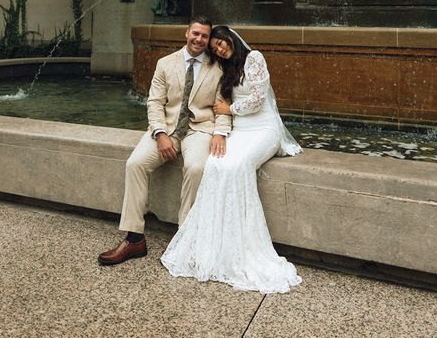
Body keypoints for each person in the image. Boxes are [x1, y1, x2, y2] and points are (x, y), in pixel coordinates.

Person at [161, 26, 302, 293]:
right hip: (241, 130)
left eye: (221, 43)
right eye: (214, 48)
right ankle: (216, 243)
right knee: (215, 163)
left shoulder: (255, 58)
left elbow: (259, 100)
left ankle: (245, 246)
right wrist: (221, 128)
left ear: (231, 39)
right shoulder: (225, 69)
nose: (219, 49)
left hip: (263, 129)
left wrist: (231, 108)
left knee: (238, 166)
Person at [98, 15, 231, 266]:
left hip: (199, 130)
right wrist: (160, 134)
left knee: (196, 168)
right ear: (186, 33)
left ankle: (186, 237)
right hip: (166, 128)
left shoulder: (219, 69)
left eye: (204, 36)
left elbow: (222, 107)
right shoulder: (165, 63)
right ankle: (135, 238)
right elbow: (155, 102)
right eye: (196, 33)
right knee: (135, 164)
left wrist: (219, 133)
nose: (199, 39)